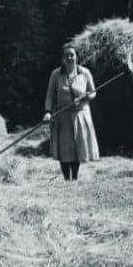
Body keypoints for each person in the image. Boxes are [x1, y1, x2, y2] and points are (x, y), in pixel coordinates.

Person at [43, 43, 100, 180]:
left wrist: (88, 96)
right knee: (65, 149)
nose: (70, 58)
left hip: (81, 114)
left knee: (77, 147)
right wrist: (48, 112)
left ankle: (74, 178)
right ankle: (66, 179)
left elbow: (93, 92)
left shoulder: (84, 72)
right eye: (66, 55)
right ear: (62, 58)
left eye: (72, 55)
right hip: (62, 116)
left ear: (76, 57)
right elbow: (50, 95)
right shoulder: (56, 74)